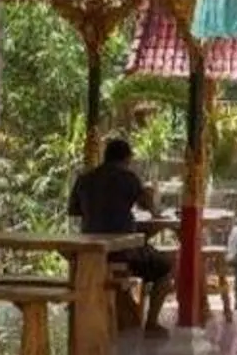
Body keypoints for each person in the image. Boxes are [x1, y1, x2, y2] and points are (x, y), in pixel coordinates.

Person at [67, 135, 172, 335]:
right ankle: (151, 325)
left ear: (105, 157)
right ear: (126, 158)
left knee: (141, 256)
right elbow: (147, 206)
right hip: (123, 251)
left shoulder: (85, 178)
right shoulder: (128, 178)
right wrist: (148, 198)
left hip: (90, 253)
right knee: (165, 268)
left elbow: (74, 211)